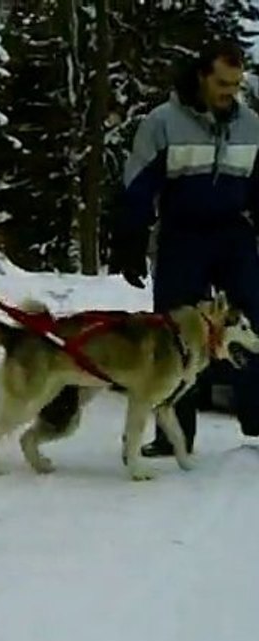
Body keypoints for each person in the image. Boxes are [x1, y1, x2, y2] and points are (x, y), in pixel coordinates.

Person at [109, 38, 259, 457]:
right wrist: (130, 238)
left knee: (252, 319)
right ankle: (174, 433)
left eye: (236, 84)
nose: (230, 92)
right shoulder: (162, 123)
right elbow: (137, 187)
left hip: (234, 233)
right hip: (183, 234)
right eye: (223, 83)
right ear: (202, 76)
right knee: (174, 333)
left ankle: (257, 415)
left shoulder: (252, 125)